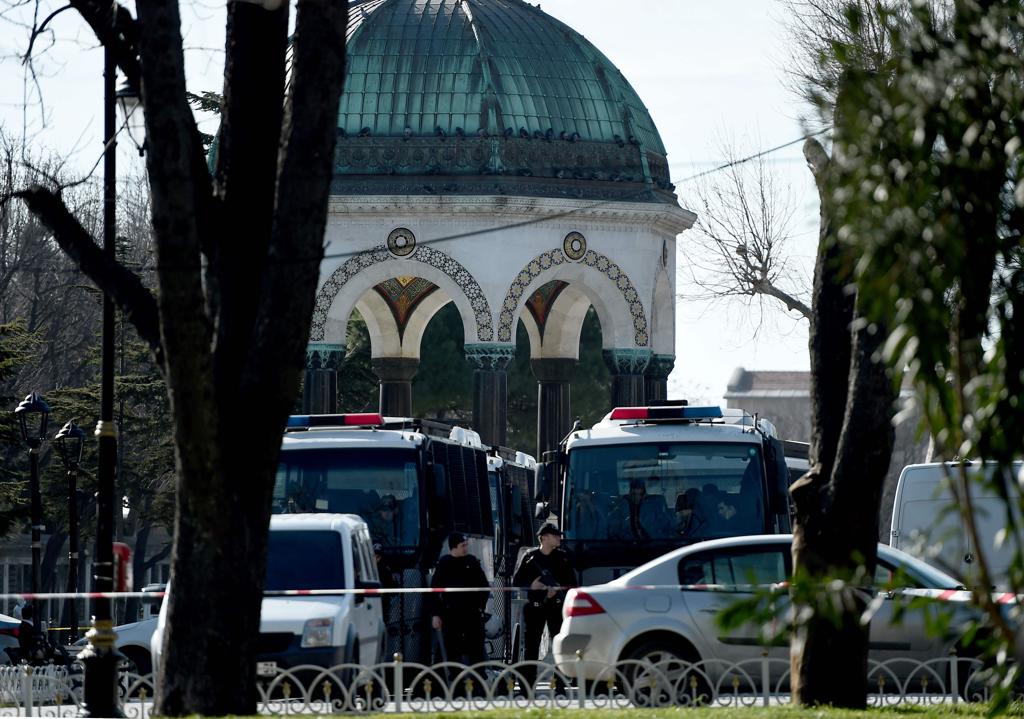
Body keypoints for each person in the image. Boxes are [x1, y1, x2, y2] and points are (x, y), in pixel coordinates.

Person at [512, 523, 577, 692]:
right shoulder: (530, 557)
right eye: (555, 535)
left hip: (556, 607)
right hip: (535, 606)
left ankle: (560, 684)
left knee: (559, 645)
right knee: (531, 647)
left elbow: (572, 583)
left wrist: (557, 590)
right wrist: (532, 585)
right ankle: (527, 686)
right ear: (544, 537)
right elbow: (517, 581)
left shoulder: (562, 557)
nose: (559, 538)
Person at [429, 532, 489, 667]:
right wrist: (436, 614)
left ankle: (477, 681)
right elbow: (434, 591)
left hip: (472, 614)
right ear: (454, 547)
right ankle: (449, 682)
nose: (466, 548)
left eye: (466, 545)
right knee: (450, 650)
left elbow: (484, 587)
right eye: (463, 545)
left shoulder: (472, 562)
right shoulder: (444, 564)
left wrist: (480, 607)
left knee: (476, 649)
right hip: (451, 615)